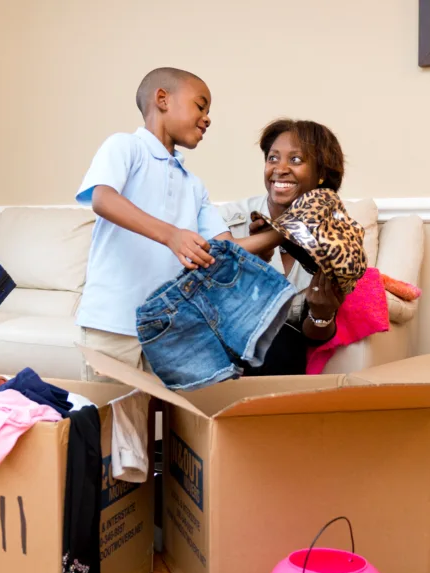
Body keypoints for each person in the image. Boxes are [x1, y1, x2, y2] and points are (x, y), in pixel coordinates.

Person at [74, 67, 279, 381]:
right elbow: (103, 199)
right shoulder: (125, 147)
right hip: (111, 323)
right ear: (162, 99)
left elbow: (224, 248)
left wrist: (281, 235)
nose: (208, 118)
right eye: (201, 105)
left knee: (156, 424)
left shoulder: (194, 185)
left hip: (168, 331)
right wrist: (172, 236)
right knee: (109, 421)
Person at [216, 118, 348, 376]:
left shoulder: (336, 242)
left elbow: (315, 335)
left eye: (296, 160)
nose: (280, 169)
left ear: (321, 173)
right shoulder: (231, 220)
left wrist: (322, 313)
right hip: (221, 333)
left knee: (283, 342)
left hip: (282, 350)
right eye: (273, 158)